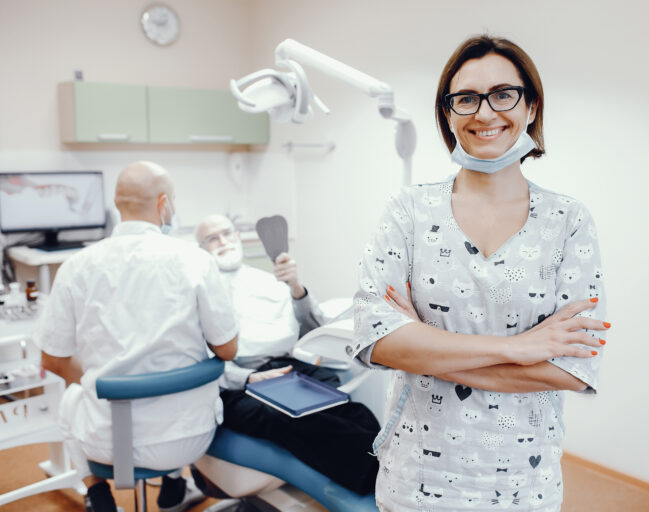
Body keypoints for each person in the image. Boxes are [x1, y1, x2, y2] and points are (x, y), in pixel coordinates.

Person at [352, 35, 610, 511]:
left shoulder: (569, 221)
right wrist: (518, 349)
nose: (485, 113)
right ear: (448, 114)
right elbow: (379, 343)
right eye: (466, 99)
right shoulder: (408, 211)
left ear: (530, 106)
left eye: (503, 94)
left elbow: (573, 368)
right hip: (416, 479)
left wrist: (424, 343)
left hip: (523, 482)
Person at [35, 162, 239, 512]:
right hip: (189, 438)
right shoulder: (195, 260)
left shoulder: (75, 267)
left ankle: (97, 491)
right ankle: (175, 480)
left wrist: (98, 383)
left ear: (119, 205)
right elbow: (227, 348)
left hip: (108, 441)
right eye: (173, 200)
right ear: (163, 204)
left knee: (71, 399)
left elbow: (52, 360)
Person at [194, 214, 380, 495]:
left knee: (352, 409)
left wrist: (295, 287)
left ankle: (393, 463)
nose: (223, 242)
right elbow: (200, 358)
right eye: (212, 238)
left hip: (290, 369)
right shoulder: (199, 293)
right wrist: (250, 378)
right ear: (201, 249)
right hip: (239, 384)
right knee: (283, 414)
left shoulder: (269, 280)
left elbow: (312, 329)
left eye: (227, 234)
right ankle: (376, 476)